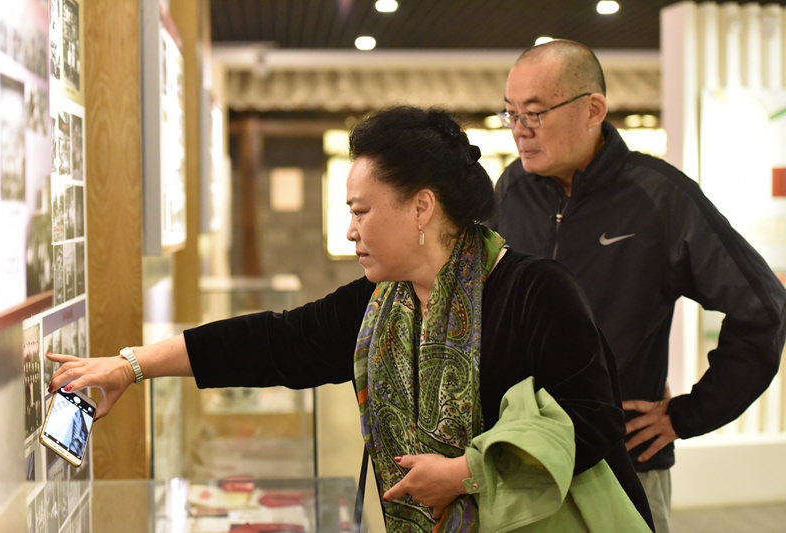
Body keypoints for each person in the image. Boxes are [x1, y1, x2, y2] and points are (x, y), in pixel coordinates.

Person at [48, 106, 653, 532]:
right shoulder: (382, 304)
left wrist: (467, 473)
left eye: (361, 211)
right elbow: (275, 342)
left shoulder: (535, 291)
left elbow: (595, 424)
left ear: (422, 207)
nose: (350, 230)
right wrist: (131, 366)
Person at [488, 39, 786, 533]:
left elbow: (764, 308)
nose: (520, 129)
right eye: (511, 113)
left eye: (535, 113)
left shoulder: (659, 196)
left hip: (624, 465)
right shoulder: (511, 190)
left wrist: (688, 415)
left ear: (593, 109)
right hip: (522, 462)